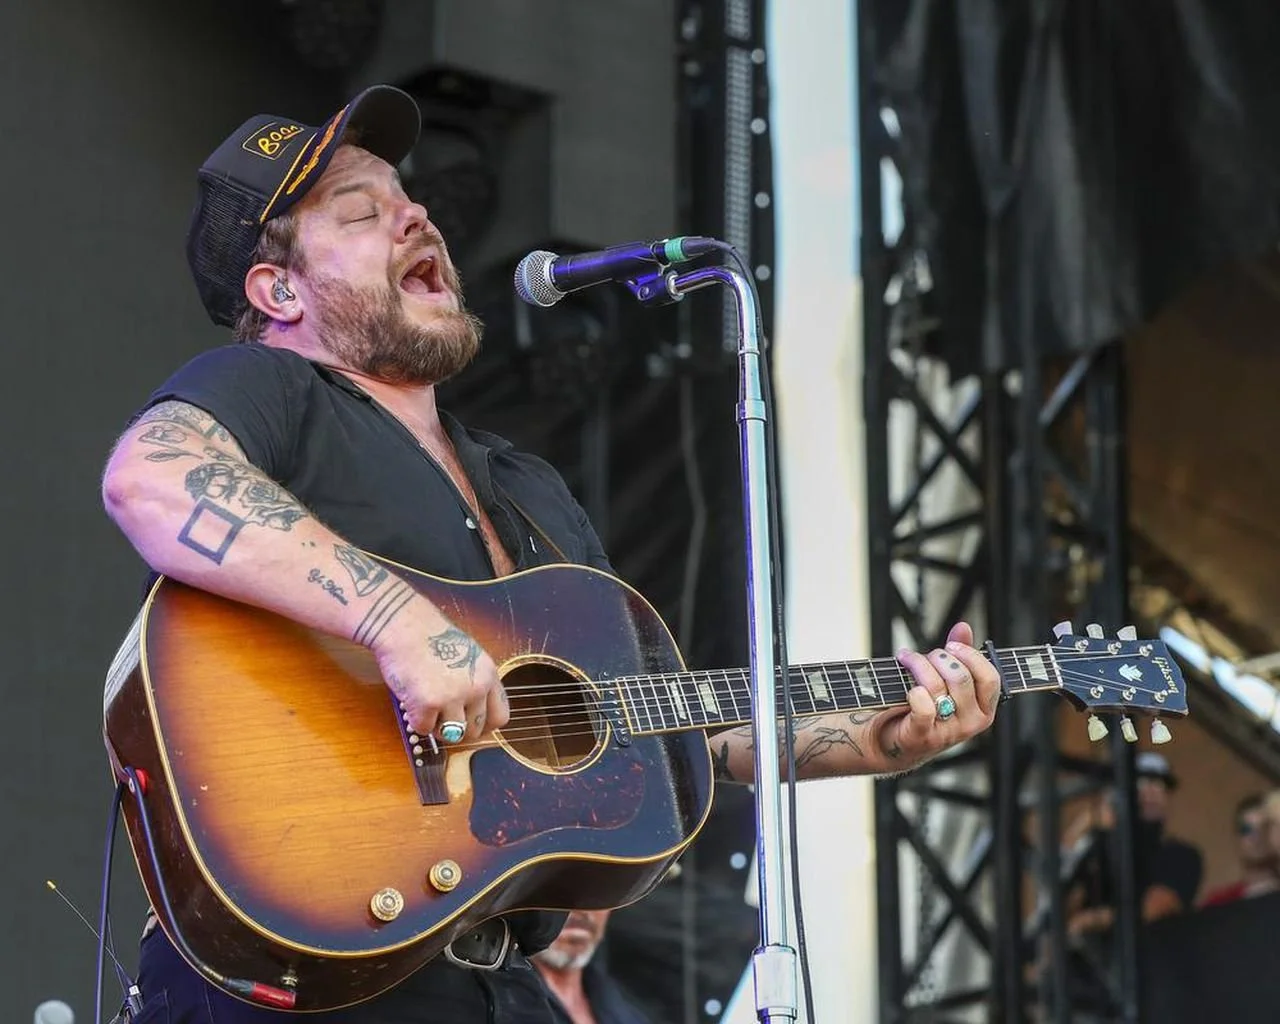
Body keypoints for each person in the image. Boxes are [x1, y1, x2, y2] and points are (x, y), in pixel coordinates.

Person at [100, 84, 1001, 1023]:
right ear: (277, 289)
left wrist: (886, 738)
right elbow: (152, 477)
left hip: (494, 981)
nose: (417, 216)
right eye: (363, 212)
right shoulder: (271, 388)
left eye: (411, 200)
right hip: (309, 971)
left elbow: (657, 725)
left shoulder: (525, 487)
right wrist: (398, 623)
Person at [1066, 751, 1204, 939]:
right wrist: (1086, 825)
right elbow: (1061, 903)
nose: (1150, 792)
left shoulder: (1180, 854)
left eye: (1159, 784)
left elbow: (1155, 910)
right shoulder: (1097, 850)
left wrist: (1093, 920)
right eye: (1139, 783)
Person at [530, 910, 649, 1024]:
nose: (580, 909)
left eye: (597, 896)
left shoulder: (622, 1007)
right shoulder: (515, 1005)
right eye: (556, 893)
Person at [1200, 793, 1278, 907]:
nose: (1256, 837)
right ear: (1237, 839)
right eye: (1246, 830)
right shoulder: (1219, 902)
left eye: (1264, 827)